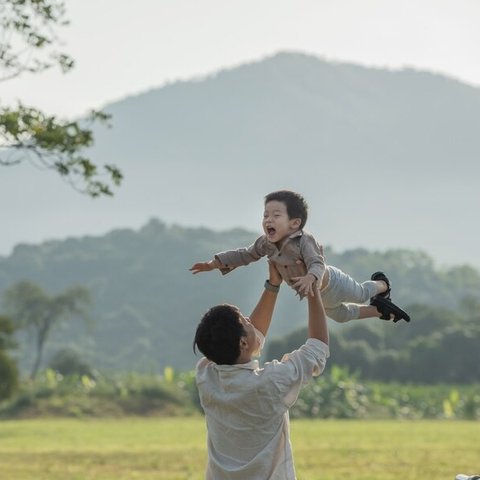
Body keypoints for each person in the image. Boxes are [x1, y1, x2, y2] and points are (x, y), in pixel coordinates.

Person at [193, 261, 329, 479]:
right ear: (242, 344)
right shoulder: (269, 383)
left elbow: (251, 339)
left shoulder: (206, 376)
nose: (250, 321)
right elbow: (317, 349)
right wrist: (312, 284)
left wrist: (273, 285)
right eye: (245, 321)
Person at [190, 189, 410, 323]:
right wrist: (214, 263)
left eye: (276, 215)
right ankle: (380, 311)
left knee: (361, 293)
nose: (268, 220)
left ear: (295, 223)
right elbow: (245, 255)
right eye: (265, 215)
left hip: (332, 283)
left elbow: (317, 262)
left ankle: (382, 285)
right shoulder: (265, 244)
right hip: (317, 296)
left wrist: (310, 278)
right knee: (341, 317)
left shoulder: (304, 240)